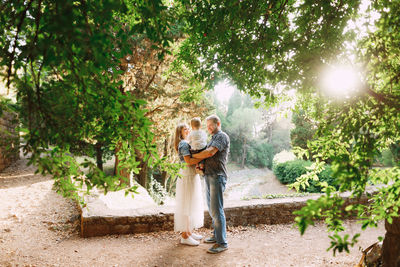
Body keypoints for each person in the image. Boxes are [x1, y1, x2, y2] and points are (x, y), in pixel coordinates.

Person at [192, 114, 230, 254]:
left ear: (218, 123)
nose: (208, 128)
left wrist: (192, 156)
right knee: (211, 208)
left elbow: (209, 153)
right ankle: (216, 235)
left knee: (216, 209)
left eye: (210, 125)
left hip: (217, 176)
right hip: (209, 175)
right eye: (207, 125)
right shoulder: (213, 138)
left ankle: (222, 243)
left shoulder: (221, 136)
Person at [173, 123, 204, 246]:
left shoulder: (188, 142)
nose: (187, 130)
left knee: (191, 203)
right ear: (179, 132)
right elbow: (188, 161)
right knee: (187, 204)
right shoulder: (183, 144)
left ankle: (189, 232)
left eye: (187, 128)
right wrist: (204, 157)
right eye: (184, 129)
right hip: (186, 174)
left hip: (190, 174)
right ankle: (185, 236)